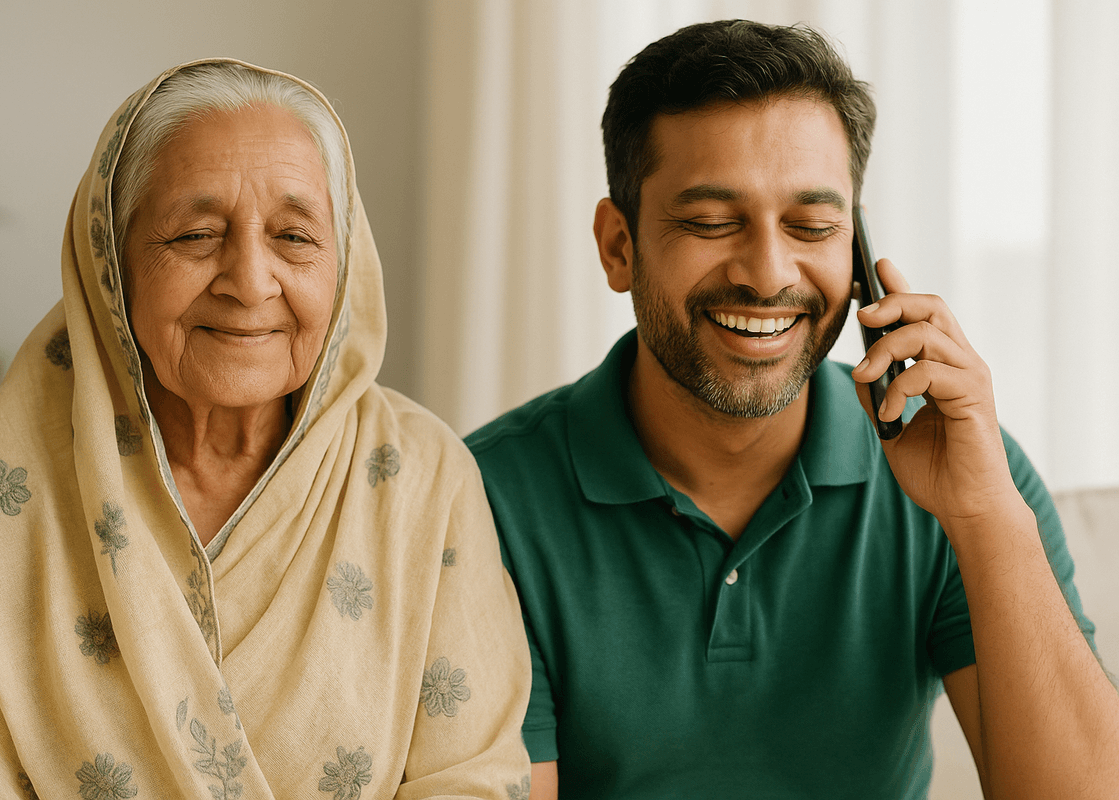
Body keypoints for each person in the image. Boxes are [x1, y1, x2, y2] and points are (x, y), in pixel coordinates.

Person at [466, 19, 1119, 800]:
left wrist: (985, 517)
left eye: (813, 227)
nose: (769, 273)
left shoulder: (969, 474)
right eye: (710, 222)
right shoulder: (478, 503)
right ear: (619, 246)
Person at [0, 59, 531, 798]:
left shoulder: (420, 476)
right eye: (196, 235)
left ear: (344, 265)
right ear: (112, 262)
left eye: (295, 237)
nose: (248, 280)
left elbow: (472, 777)